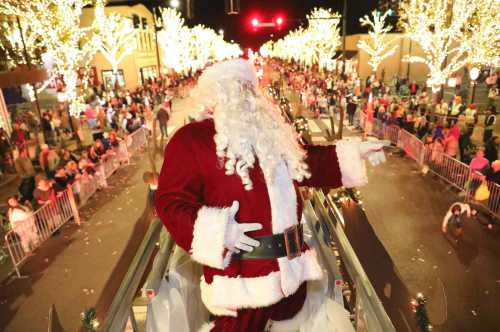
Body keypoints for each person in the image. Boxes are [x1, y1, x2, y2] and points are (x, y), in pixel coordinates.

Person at [155, 59, 387, 331]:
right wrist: (220, 232)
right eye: (232, 89)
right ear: (214, 96)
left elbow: (307, 162)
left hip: (291, 274)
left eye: (247, 88)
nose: (243, 96)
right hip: (241, 281)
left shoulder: (270, 134)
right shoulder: (191, 140)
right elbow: (170, 202)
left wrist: (353, 153)